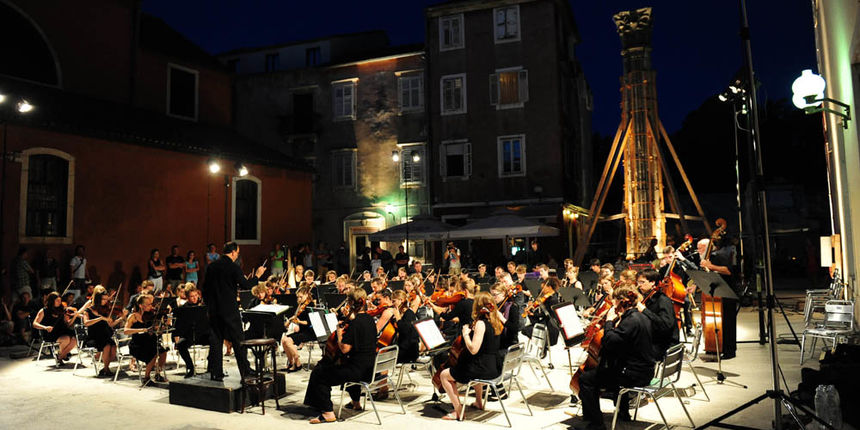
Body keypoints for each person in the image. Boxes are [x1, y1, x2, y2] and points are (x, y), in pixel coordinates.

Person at [576, 285, 655, 430]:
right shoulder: (640, 316)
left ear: (621, 301)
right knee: (608, 368)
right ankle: (623, 412)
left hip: (634, 375)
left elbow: (609, 342)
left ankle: (596, 425)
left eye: (614, 301)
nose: (612, 304)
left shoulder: (630, 321)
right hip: (644, 369)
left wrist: (609, 321)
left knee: (586, 379)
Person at [303, 288, 377, 424]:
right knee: (336, 367)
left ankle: (327, 413)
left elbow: (344, 349)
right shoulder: (369, 320)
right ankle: (356, 403)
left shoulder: (355, 324)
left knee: (320, 373)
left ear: (350, 303)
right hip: (370, 368)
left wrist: (338, 331)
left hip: (357, 372)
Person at [203, 241, 266, 381]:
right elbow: (246, 285)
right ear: (233, 252)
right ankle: (245, 371)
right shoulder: (233, 267)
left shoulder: (212, 266)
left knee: (216, 341)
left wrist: (209, 307)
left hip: (214, 310)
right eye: (237, 252)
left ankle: (216, 372)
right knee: (239, 341)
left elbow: (205, 289)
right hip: (230, 310)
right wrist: (257, 276)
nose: (237, 255)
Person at [436, 291, 503, 420]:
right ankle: (479, 402)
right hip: (494, 367)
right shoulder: (495, 320)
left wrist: (466, 333)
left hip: (482, 369)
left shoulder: (481, 324)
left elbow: (473, 349)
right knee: (468, 366)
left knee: (444, 375)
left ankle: (458, 411)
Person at [125, 294, 169, 383]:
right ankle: (146, 377)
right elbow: (126, 331)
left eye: (151, 304)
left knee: (163, 352)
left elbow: (155, 330)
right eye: (148, 304)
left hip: (150, 342)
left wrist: (160, 327)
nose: (151, 306)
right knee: (154, 353)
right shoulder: (133, 316)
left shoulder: (151, 315)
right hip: (138, 344)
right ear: (141, 305)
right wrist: (143, 329)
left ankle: (157, 373)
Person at [636, 268, 678, 359]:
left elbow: (665, 326)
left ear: (652, 283)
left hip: (662, 345)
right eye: (638, 282)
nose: (639, 285)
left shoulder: (663, 300)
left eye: (642, 282)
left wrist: (644, 311)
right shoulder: (646, 298)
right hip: (652, 340)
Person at [32, 292, 82, 365]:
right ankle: (62, 356)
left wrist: (75, 316)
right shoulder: (44, 311)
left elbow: (68, 324)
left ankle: (60, 357)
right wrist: (45, 327)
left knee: (74, 340)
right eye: (57, 301)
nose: (60, 302)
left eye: (60, 300)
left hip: (62, 331)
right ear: (52, 301)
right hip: (50, 332)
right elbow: (34, 324)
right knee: (66, 339)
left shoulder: (62, 309)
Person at [82, 285, 122, 376]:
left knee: (113, 347)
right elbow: (86, 323)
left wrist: (119, 320)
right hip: (93, 337)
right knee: (107, 346)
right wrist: (100, 318)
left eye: (106, 299)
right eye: (103, 299)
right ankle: (106, 369)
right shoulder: (88, 310)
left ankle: (105, 367)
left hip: (105, 335)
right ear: (97, 299)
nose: (105, 301)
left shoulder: (105, 310)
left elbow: (110, 324)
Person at [282, 286, 315, 372]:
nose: (299, 299)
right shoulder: (300, 306)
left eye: (301, 297)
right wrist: (290, 321)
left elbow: (309, 322)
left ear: (307, 295)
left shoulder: (310, 305)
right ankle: (291, 363)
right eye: (298, 297)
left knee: (288, 341)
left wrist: (299, 322)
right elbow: (296, 318)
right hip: (302, 331)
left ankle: (297, 361)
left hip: (309, 332)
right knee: (283, 340)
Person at [174, 286, 205, 378]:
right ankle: (190, 368)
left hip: (203, 334)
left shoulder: (203, 306)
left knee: (215, 340)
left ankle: (211, 367)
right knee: (180, 344)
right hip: (189, 335)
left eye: (196, 295)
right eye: (192, 296)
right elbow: (179, 327)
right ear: (187, 297)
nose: (195, 298)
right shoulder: (183, 309)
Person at [391, 290, 419, 363]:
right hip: (403, 346)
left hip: (409, 350)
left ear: (402, 300)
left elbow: (405, 330)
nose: (392, 303)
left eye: (394, 301)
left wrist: (398, 317)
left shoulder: (409, 313)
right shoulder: (400, 312)